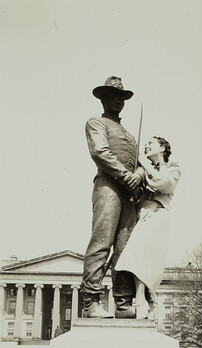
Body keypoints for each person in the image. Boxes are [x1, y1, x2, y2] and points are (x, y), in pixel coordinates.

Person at [80, 76, 145, 318]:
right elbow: (100, 152)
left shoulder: (128, 134)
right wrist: (126, 176)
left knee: (125, 248)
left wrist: (138, 174)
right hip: (108, 186)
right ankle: (91, 302)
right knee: (101, 243)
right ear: (103, 99)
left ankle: (122, 303)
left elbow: (140, 163)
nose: (117, 100)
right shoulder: (97, 123)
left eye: (121, 97)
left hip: (129, 193)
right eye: (112, 96)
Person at [115, 136, 181, 318]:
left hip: (159, 213)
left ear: (161, 148)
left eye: (149, 144)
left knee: (143, 253)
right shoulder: (141, 169)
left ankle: (143, 299)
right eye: (144, 146)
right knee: (137, 253)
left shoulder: (172, 168)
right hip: (142, 214)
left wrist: (144, 164)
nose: (145, 147)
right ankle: (143, 300)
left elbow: (165, 184)